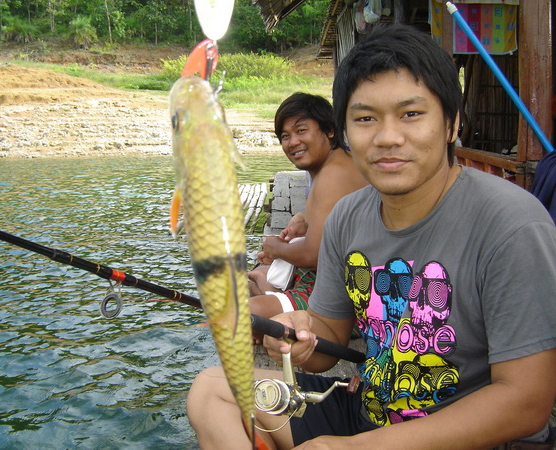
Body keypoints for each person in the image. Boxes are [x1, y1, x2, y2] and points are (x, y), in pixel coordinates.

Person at [187, 23, 556, 449]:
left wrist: (354, 447)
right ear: (345, 131)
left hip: (472, 435)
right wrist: (300, 333)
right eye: (365, 119)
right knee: (212, 391)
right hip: (370, 412)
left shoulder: (510, 223)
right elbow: (329, 335)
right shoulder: (348, 216)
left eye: (411, 114)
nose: (387, 137)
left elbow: (527, 401)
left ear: (452, 123)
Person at [248, 93, 368, 319]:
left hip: (346, 298)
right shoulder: (338, 164)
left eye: (301, 131)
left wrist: (275, 248)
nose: (292, 142)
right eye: (285, 136)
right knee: (251, 282)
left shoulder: (333, 174)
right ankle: (266, 286)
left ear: (329, 131)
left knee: (243, 313)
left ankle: (269, 290)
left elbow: (313, 255)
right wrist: (304, 222)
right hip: (334, 280)